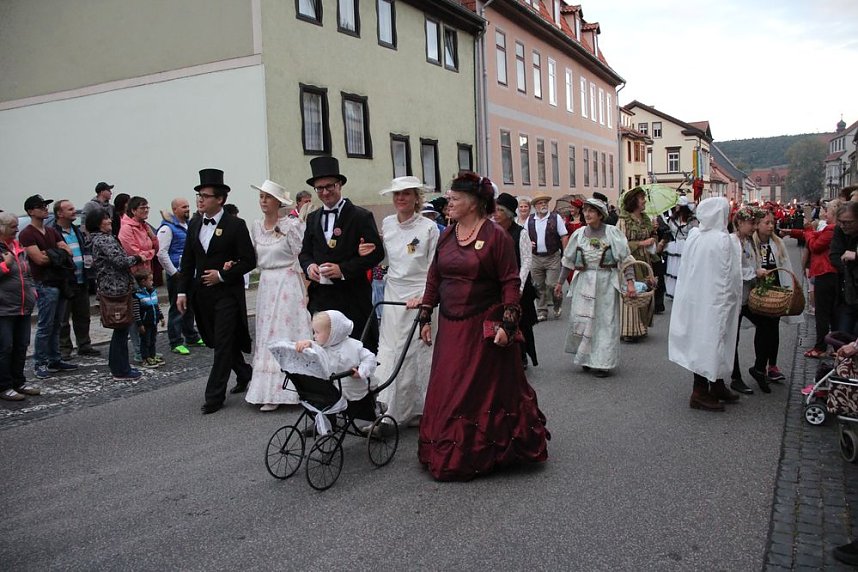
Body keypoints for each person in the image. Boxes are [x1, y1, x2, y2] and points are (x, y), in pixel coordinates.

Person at [414, 171, 549, 481]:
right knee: (447, 387)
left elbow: (510, 282)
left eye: (454, 199)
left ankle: (473, 452)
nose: (448, 203)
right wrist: (425, 315)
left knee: (472, 392)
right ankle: (443, 445)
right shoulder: (447, 234)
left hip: (481, 327)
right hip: (450, 326)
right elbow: (435, 277)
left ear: (473, 204)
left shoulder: (496, 237)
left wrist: (508, 324)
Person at [177, 169, 256, 415]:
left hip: (227, 295)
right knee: (217, 340)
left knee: (222, 343)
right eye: (198, 195)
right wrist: (181, 293)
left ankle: (214, 395)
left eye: (205, 196)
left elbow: (249, 260)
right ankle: (245, 373)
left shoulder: (235, 225)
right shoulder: (194, 224)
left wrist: (222, 275)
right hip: (203, 295)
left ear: (219, 199)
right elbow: (187, 261)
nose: (200, 200)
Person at [370, 176, 439, 427]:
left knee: (415, 352)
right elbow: (386, 258)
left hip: (419, 294)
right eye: (397, 194)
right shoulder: (387, 224)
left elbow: (434, 267)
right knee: (390, 350)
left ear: (416, 198)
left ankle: (418, 408)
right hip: (392, 295)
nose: (401, 198)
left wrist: (425, 298)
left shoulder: (429, 228)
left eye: (407, 194)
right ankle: (390, 406)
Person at [298, 156, 385, 352]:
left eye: (330, 186)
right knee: (324, 348)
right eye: (320, 188)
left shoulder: (360, 216)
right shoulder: (313, 218)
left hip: (352, 295)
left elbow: (377, 253)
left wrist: (343, 270)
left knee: (356, 349)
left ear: (340, 185)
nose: (325, 192)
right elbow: (305, 253)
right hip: (322, 296)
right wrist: (309, 266)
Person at [243, 179, 312, 412]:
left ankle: (298, 387)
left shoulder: (291, 225)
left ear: (278, 202)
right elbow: (253, 258)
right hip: (267, 283)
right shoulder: (256, 226)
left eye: (267, 197)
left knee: (285, 331)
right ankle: (268, 389)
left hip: (287, 283)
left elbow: (300, 255)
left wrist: (306, 287)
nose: (263, 201)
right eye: (261, 196)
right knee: (266, 334)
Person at [669, 197, 742, 412]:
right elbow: (730, 274)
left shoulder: (694, 235)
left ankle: (715, 383)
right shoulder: (723, 239)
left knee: (704, 341)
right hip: (716, 301)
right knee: (712, 341)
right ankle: (700, 390)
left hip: (697, 298)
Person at [554, 198, 636, 377]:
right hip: (584, 280)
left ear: (600, 214)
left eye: (592, 211)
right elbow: (568, 260)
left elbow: (625, 259)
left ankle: (603, 362)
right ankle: (585, 358)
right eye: (586, 211)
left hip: (605, 282)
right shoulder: (579, 234)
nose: (587, 214)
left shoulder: (612, 233)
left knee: (605, 322)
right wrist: (560, 283)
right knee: (582, 320)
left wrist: (630, 282)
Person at [18, 194, 78, 379]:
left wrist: (52, 254)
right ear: (30, 211)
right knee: (45, 325)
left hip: (60, 282)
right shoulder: (27, 233)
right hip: (45, 284)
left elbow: (67, 252)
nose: (45, 209)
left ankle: (54, 359)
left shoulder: (52, 231)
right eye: (40, 206)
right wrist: (56, 254)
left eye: (45, 206)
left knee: (58, 324)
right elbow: (39, 259)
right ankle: (40, 362)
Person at [744, 209, 803, 389]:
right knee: (763, 328)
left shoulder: (777, 243)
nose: (771, 226)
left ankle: (772, 365)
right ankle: (760, 365)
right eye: (767, 223)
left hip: (776, 292)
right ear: (757, 225)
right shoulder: (751, 243)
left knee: (773, 328)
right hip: (760, 293)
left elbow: (785, 265)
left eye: (772, 222)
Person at [87, 208, 143, 381]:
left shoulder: (98, 239)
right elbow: (120, 261)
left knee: (120, 330)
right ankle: (120, 369)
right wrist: (137, 258)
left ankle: (119, 366)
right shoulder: (104, 240)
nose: (110, 221)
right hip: (116, 289)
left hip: (112, 287)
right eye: (105, 219)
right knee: (121, 329)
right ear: (98, 223)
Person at [780, 200, 839, 358]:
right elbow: (812, 235)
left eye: (828, 212)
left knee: (823, 313)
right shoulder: (829, 228)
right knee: (829, 312)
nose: (825, 214)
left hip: (825, 273)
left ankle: (821, 347)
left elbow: (814, 245)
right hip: (825, 273)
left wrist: (808, 229)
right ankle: (832, 344)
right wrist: (790, 232)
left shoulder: (832, 230)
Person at [0, 212, 41, 401]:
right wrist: (5, 266)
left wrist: (32, 291)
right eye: (12, 226)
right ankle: (4, 385)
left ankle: (19, 381)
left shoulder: (16, 247)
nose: (17, 229)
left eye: (17, 225)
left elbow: (27, 273)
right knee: (5, 347)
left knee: (21, 345)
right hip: (4, 308)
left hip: (23, 306)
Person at [495, 192, 538, 369]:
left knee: (520, 322)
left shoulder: (520, 233)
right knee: (499, 320)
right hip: (498, 284)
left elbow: (527, 260)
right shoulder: (493, 232)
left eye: (500, 210)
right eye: (495, 210)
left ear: (508, 213)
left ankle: (521, 356)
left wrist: (518, 285)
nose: (495, 214)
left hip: (519, 285)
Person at [51, 199, 99, 358]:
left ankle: (84, 345)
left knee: (83, 316)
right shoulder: (54, 232)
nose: (74, 211)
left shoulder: (76, 230)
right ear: (59, 213)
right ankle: (64, 349)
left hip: (81, 279)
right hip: (65, 281)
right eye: (70, 209)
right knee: (63, 319)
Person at [295, 310, 376, 402]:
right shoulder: (321, 347)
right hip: (330, 389)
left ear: (332, 333)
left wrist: (362, 371)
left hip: (351, 387)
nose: (314, 336)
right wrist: (307, 344)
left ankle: (375, 406)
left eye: (317, 332)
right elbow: (313, 347)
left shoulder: (353, 346)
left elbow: (370, 358)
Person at [157, 197, 202, 356]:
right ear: (175, 209)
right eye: (183, 207)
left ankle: (190, 335)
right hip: (177, 274)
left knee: (189, 306)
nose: (187, 209)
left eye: (188, 206)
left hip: (190, 273)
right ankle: (175, 341)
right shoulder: (168, 228)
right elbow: (161, 253)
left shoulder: (187, 225)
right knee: (177, 307)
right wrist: (174, 272)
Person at [729, 206, 767, 395]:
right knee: (732, 338)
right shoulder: (732, 242)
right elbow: (733, 270)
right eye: (752, 223)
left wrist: (758, 272)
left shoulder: (750, 241)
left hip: (749, 297)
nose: (754, 227)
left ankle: (759, 368)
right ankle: (735, 377)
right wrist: (754, 273)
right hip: (734, 298)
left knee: (766, 326)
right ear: (740, 223)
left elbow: (754, 261)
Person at [616, 187, 657, 341]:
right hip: (629, 261)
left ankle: (641, 326)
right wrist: (641, 243)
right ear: (634, 201)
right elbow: (620, 243)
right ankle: (629, 330)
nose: (644, 200)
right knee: (631, 291)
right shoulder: (622, 220)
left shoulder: (646, 219)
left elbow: (652, 239)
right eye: (641, 198)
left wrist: (654, 235)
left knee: (645, 289)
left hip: (644, 260)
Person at [527, 194, 569, 321]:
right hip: (536, 257)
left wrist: (565, 254)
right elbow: (524, 237)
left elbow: (564, 236)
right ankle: (542, 311)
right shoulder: (530, 220)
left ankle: (557, 304)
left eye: (545, 202)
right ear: (535, 206)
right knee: (538, 285)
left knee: (552, 284)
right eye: (540, 203)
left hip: (552, 256)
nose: (543, 205)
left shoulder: (555, 218)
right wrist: (528, 243)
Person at [830, 201, 858, 335]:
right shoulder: (839, 230)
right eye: (840, 222)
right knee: (842, 334)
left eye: (848, 222)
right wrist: (849, 268)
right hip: (847, 294)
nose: (843, 226)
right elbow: (835, 256)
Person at [663, 196, 698, 298]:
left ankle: (684, 291)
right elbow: (669, 231)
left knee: (684, 268)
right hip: (674, 245)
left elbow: (696, 232)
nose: (676, 207)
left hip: (687, 245)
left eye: (678, 205)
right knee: (673, 268)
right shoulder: (672, 219)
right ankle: (674, 291)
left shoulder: (692, 220)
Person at [132, 271, 165, 369]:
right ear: (143, 282)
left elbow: (156, 306)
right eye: (150, 280)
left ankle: (152, 355)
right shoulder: (137, 295)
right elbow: (136, 312)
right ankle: (145, 358)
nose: (152, 282)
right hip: (145, 322)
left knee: (152, 340)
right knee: (145, 341)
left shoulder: (153, 292)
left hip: (153, 321)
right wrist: (139, 324)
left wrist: (161, 317)